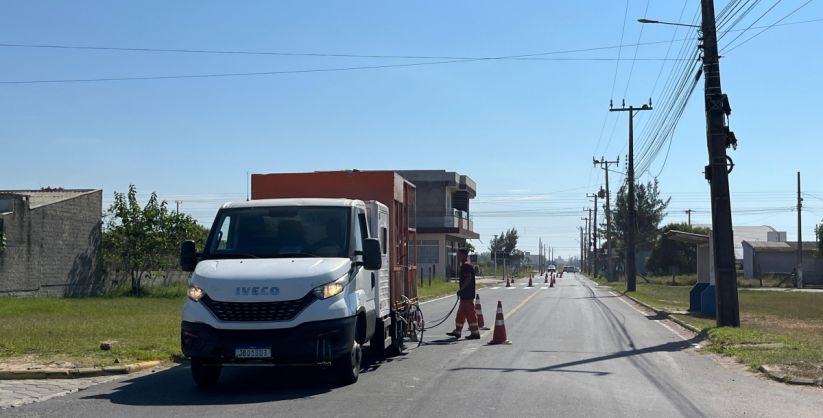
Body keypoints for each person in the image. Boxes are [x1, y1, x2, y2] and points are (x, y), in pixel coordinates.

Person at [446, 249, 480, 340]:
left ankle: (475, 333)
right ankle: (457, 331)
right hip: (465, 295)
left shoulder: (466, 265)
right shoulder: (466, 265)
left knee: (470, 314)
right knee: (461, 314)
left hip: (467, 294)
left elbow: (468, 278)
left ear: (464, 255)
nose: (457, 256)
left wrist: (461, 289)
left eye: (459, 255)